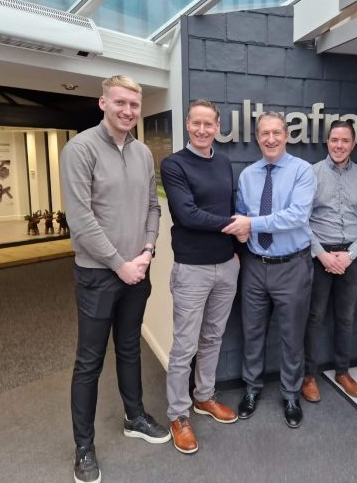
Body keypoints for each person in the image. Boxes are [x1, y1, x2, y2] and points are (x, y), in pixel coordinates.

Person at [60, 75, 170, 483]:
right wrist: (119, 264)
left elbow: (153, 207)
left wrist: (147, 251)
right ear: (103, 102)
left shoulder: (142, 153)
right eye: (120, 102)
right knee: (89, 362)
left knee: (129, 348)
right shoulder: (80, 149)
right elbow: (80, 219)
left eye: (134, 105)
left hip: (137, 270)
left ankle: (134, 417)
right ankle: (84, 447)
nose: (128, 111)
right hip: (98, 276)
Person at [223, 112, 315, 428]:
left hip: (292, 266)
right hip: (254, 266)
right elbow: (241, 215)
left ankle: (290, 394)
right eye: (265, 133)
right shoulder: (248, 175)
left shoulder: (302, 171)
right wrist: (241, 232)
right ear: (258, 137)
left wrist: (251, 224)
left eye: (276, 132)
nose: (271, 139)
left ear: (286, 135)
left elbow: (297, 216)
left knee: (292, 335)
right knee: (252, 332)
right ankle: (251, 389)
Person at [160, 99, 240, 455]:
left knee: (213, 337)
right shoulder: (173, 164)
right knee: (184, 346)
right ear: (188, 124)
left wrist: (234, 250)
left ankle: (204, 396)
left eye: (209, 124)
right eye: (197, 123)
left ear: (217, 126)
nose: (203, 130)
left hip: (226, 265)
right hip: (192, 269)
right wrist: (234, 226)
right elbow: (187, 214)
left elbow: (228, 207)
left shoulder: (224, 163)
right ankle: (178, 415)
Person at [301, 120, 357, 403]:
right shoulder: (312, 174)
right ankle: (309, 375)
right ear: (327, 142)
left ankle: (342, 371)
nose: (339, 145)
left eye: (345, 140)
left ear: (353, 144)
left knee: (346, 317)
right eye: (334, 140)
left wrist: (351, 254)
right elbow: (301, 220)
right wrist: (322, 254)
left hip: (351, 258)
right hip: (319, 257)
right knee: (313, 317)